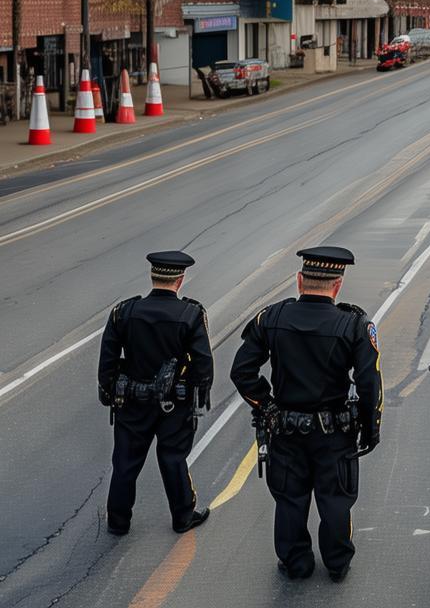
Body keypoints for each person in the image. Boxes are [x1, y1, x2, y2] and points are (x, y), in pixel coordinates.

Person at [231, 246, 382, 582]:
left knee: (289, 499)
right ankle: (337, 563)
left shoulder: (271, 318)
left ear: (299, 280)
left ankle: (295, 563)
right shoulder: (353, 324)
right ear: (337, 285)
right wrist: (370, 430)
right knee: (336, 500)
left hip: (285, 429)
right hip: (335, 433)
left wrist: (267, 405)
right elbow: (370, 384)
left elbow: (242, 372)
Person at [98, 251, 212, 536]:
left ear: (153, 276)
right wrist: (200, 393)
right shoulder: (190, 314)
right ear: (180, 279)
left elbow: (108, 359)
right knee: (173, 457)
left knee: (125, 460)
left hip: (132, 401)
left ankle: (118, 521)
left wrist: (108, 391)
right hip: (175, 403)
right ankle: (183, 517)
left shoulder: (123, 311)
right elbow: (202, 362)